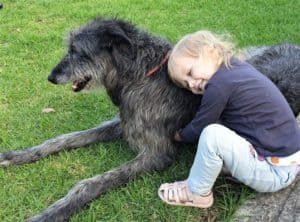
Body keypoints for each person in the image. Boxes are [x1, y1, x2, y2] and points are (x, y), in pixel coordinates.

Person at [158, 30, 300, 208]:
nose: (192, 84)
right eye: (186, 84)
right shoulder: (236, 68)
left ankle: (197, 192)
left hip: (274, 172)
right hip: (287, 162)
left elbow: (200, 125)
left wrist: (179, 135)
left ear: (211, 51)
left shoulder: (218, 85)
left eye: (190, 72)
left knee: (212, 134)